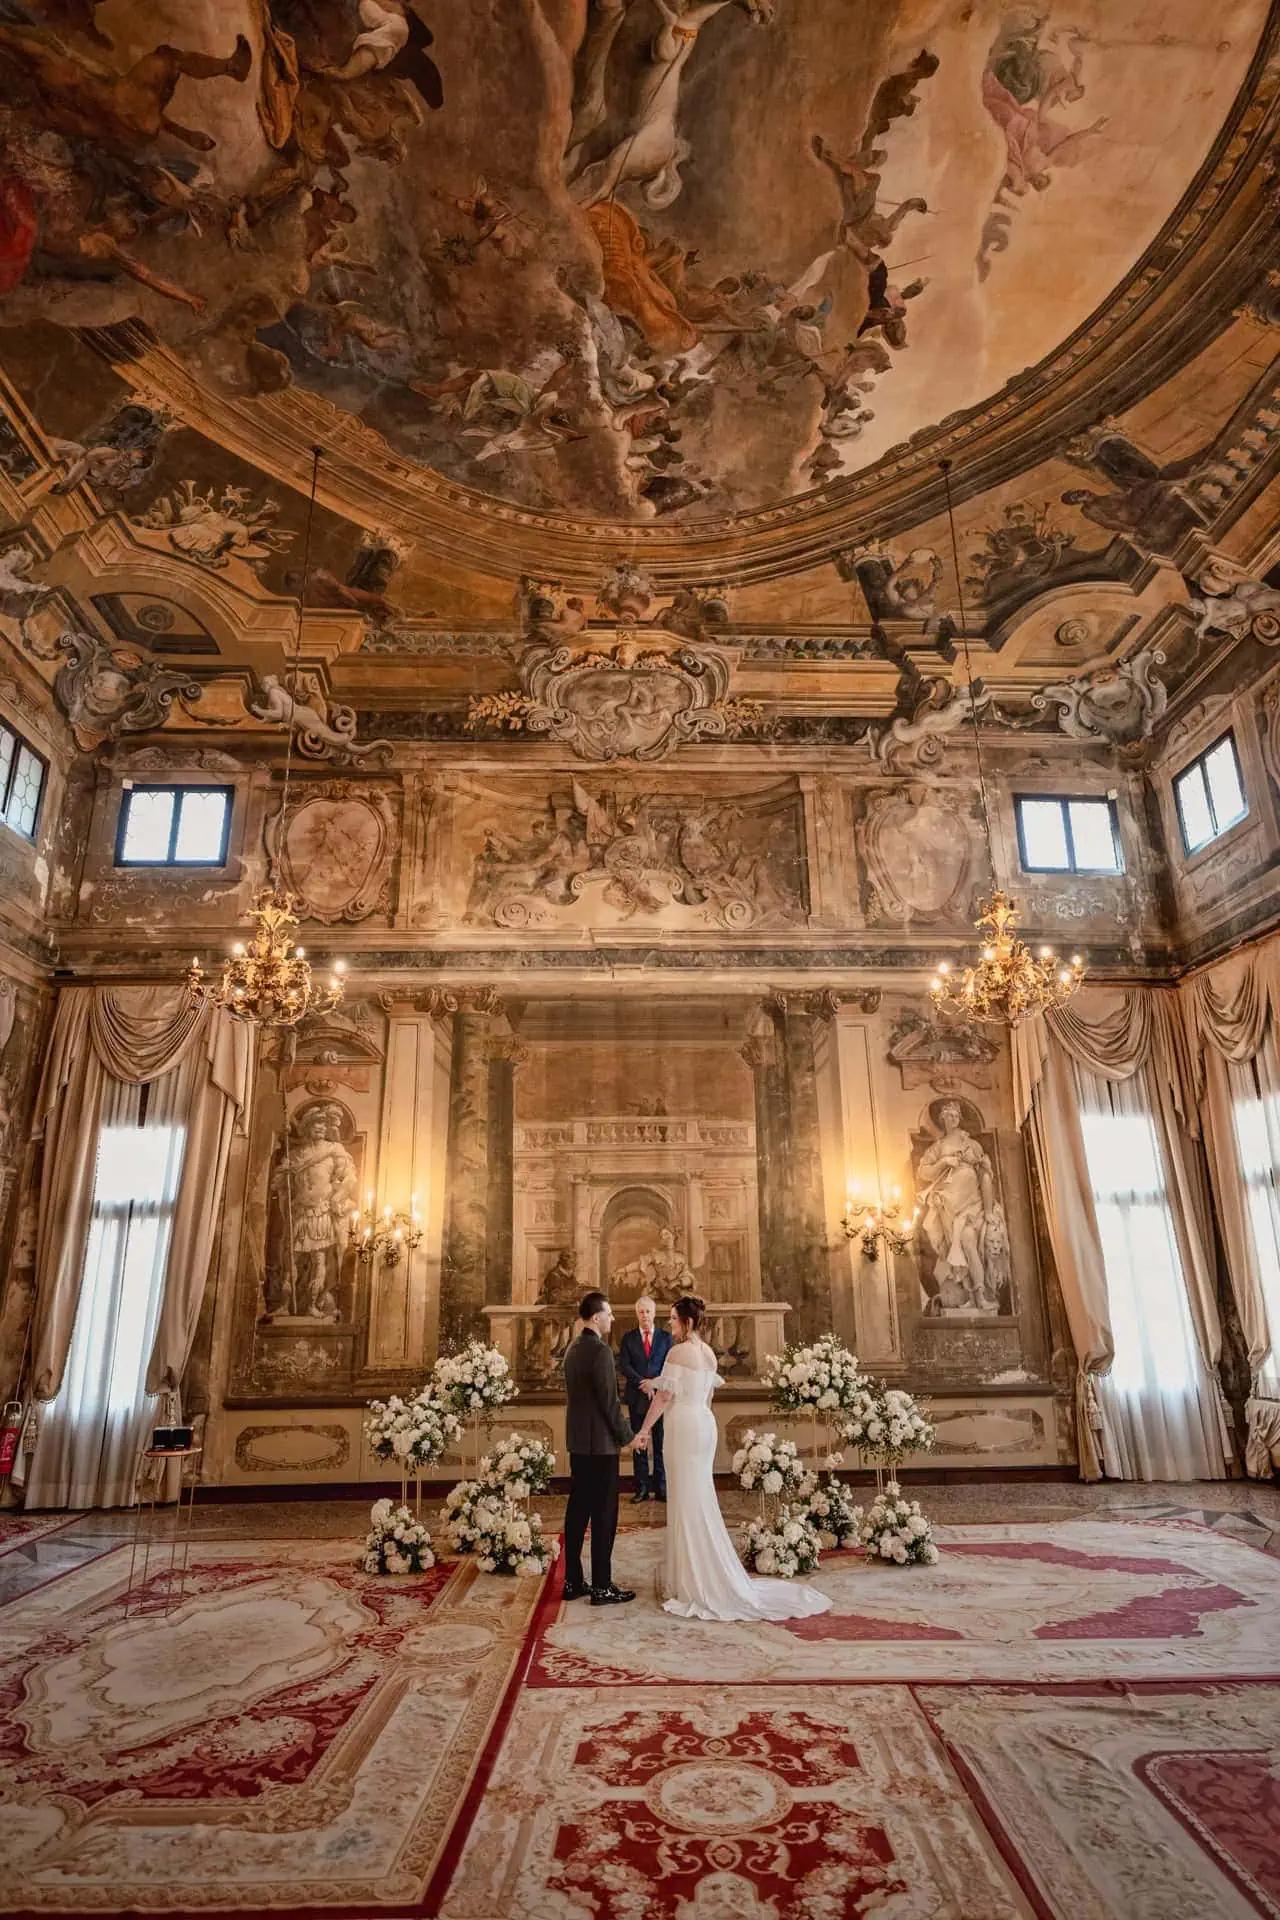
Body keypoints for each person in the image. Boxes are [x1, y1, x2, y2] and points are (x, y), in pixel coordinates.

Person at [633, 1295, 832, 1622]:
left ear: (688, 1322)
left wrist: (643, 1430)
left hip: (683, 1426)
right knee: (698, 1496)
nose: (669, 1324)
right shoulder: (708, 1354)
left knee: (686, 1500)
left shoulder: (676, 1352)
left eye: (672, 1319)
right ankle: (697, 1574)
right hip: (703, 1424)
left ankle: (693, 1582)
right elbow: (706, 1396)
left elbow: (666, 1397)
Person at [561, 1291, 637, 1606]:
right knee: (604, 1515)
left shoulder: (572, 1349)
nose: (612, 1318)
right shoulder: (601, 1352)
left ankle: (573, 1581)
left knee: (577, 1511)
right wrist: (629, 1436)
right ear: (596, 1317)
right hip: (602, 1447)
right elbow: (610, 1403)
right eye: (608, 1313)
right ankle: (602, 1587)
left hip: (578, 1443)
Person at [618, 1294, 672, 1503]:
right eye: (641, 1312)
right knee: (639, 1444)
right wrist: (643, 1383)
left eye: (648, 1311)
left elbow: (669, 1366)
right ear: (637, 1314)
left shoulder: (666, 1338)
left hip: (660, 1396)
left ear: (654, 1313)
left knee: (660, 1444)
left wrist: (655, 1384)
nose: (645, 1315)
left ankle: (661, 1488)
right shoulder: (628, 1338)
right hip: (637, 1397)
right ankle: (641, 1488)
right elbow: (624, 1365)